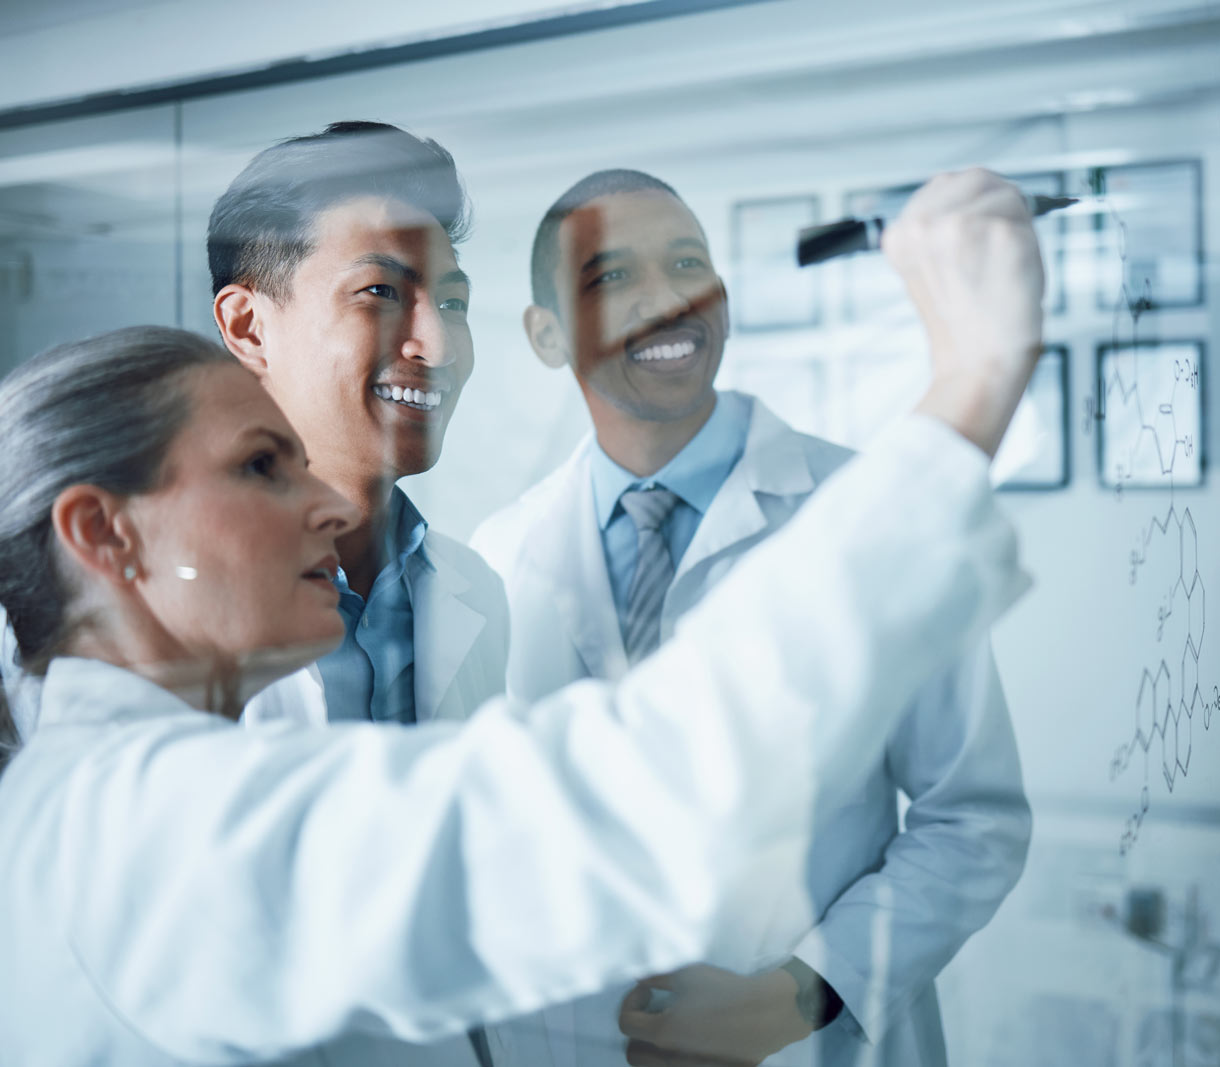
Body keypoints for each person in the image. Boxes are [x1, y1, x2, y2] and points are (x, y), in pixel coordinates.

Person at [0, 168, 1044, 1065]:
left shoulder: (109, 789)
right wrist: (971, 385)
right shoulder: (150, 820)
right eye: (260, 466)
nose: (323, 496)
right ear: (104, 533)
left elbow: (964, 819)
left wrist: (803, 989)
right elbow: (602, 807)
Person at [471, 169, 1031, 1066]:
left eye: (688, 262)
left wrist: (798, 993)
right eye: (612, 276)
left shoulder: (867, 511)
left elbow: (973, 817)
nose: (667, 297)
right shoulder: (496, 560)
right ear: (545, 334)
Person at [208, 121, 508, 729]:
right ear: (248, 327)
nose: (439, 346)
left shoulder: (475, 589)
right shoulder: (150, 596)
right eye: (379, 291)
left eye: (453, 304)